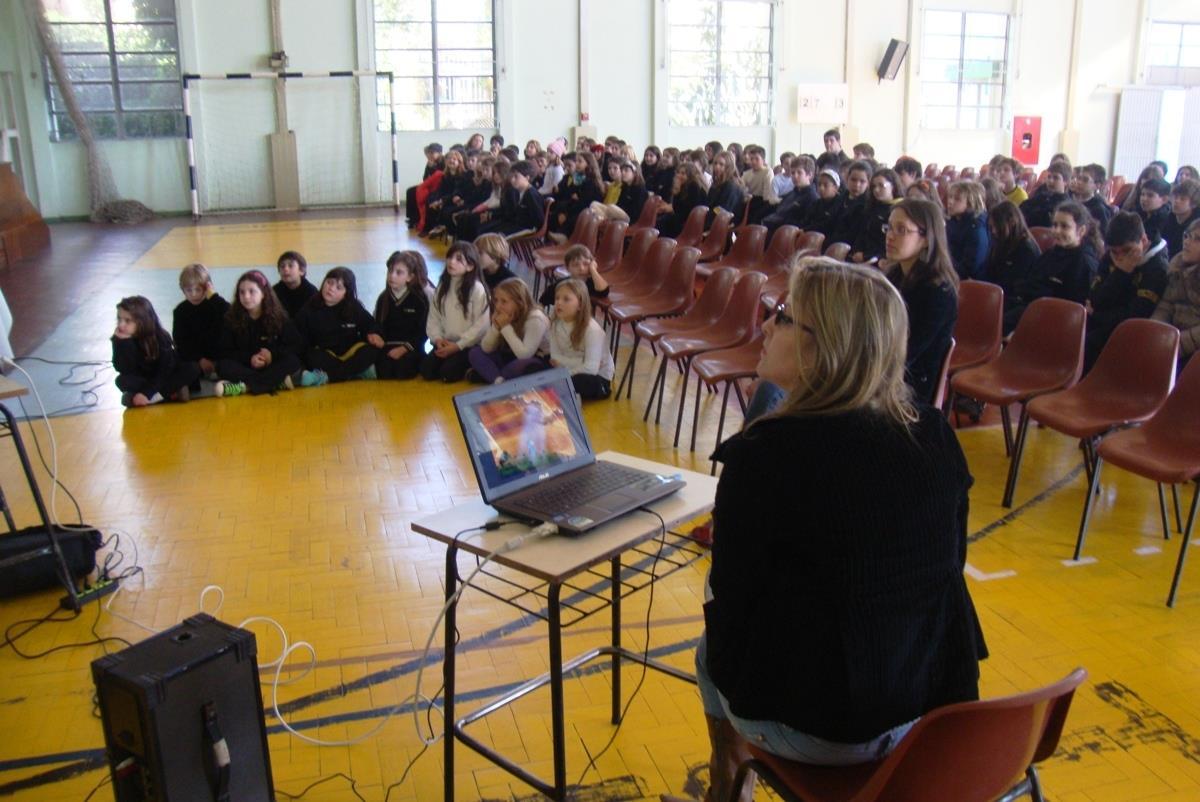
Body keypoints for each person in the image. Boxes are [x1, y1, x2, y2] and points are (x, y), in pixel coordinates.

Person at [664, 258, 985, 802]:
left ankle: (728, 793)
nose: (766, 324)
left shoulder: (766, 456)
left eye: (784, 316)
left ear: (826, 347)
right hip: (927, 706)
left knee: (708, 642)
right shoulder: (933, 434)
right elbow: (950, 567)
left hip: (821, 730)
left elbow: (732, 601)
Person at [883, 199, 959, 403]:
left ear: (926, 239)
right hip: (887, 368)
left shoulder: (939, 292)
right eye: (889, 227)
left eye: (901, 230)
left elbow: (908, 353)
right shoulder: (893, 275)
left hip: (911, 387)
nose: (890, 235)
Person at [1084, 212, 1169, 372]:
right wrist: (1121, 272)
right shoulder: (1112, 254)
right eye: (1115, 252)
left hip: (1130, 334)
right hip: (1104, 323)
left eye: (1127, 250)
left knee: (1088, 344)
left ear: (1144, 240)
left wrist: (1097, 314)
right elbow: (1094, 299)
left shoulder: (1157, 268)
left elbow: (1136, 315)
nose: (1121, 257)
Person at [1004, 200, 1100, 331]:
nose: (1056, 231)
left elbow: (1072, 310)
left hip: (1052, 323)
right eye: (1055, 225)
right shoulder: (1051, 253)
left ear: (1081, 230)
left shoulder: (1085, 264)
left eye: (1064, 226)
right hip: (1029, 309)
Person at [214, 270, 304, 396]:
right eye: (242, 292)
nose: (246, 296)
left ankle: (246, 387)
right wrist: (249, 358)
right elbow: (224, 351)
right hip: (246, 367)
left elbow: (296, 345)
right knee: (223, 366)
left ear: (263, 294)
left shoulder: (279, 317)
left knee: (293, 361)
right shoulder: (231, 318)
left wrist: (272, 356)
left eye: (252, 291)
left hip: (271, 365)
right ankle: (274, 383)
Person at [295, 267, 382, 384]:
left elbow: (370, 323)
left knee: (372, 351)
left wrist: (374, 333)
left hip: (350, 352)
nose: (331, 288)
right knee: (311, 356)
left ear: (346, 293)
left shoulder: (353, 307)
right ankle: (356, 372)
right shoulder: (309, 308)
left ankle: (327, 377)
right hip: (326, 353)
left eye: (338, 287)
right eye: (329, 283)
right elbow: (301, 338)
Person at [111, 296, 199, 407]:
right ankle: (170, 393)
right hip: (144, 378)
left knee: (192, 368)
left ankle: (150, 398)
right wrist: (123, 343)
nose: (121, 325)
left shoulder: (161, 337)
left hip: (164, 376)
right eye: (119, 319)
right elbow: (124, 369)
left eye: (127, 321)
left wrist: (146, 393)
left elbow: (164, 371)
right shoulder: (121, 338)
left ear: (142, 321)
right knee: (121, 380)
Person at [422, 241, 490, 382]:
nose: (451, 262)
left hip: (467, 345)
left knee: (447, 374)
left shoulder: (477, 289)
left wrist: (458, 345)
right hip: (446, 342)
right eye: (450, 257)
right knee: (427, 371)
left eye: (459, 259)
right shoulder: (442, 287)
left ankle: (472, 365)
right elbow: (434, 317)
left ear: (470, 266)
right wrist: (437, 339)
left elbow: (482, 325)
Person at [468, 278, 550, 383]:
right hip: (511, 355)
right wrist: (496, 327)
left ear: (520, 302)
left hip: (536, 359)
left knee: (520, 366)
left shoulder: (535, 318)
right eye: (496, 300)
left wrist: (505, 327)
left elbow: (524, 355)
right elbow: (486, 348)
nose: (498, 306)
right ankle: (499, 380)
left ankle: (492, 375)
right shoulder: (505, 313)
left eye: (504, 301)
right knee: (475, 352)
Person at [548, 278, 614, 399]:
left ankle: (563, 391)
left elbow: (591, 369)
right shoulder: (555, 323)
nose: (559, 303)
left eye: (566, 299)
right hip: (569, 369)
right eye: (557, 298)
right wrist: (580, 362)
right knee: (537, 367)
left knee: (576, 382)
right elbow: (554, 357)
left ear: (580, 305)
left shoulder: (592, 329)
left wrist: (564, 373)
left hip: (597, 377)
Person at [374, 251, 434, 380]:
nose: (392, 276)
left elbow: (423, 331)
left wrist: (404, 348)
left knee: (403, 370)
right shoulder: (383, 298)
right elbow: (378, 325)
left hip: (411, 347)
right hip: (388, 346)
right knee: (384, 371)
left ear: (410, 277)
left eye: (399, 272)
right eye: (390, 271)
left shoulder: (419, 299)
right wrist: (377, 338)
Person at [1152, 218, 1200, 367]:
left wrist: (1176, 344)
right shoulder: (1177, 268)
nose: (1187, 242)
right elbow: (1165, 306)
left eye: (1197, 239)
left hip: (1192, 352)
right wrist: (1154, 331)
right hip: (1172, 341)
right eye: (1187, 235)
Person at [172, 263, 229, 384]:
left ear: (207, 288)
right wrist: (199, 359)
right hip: (195, 359)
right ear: (183, 290)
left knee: (230, 364)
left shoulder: (216, 305)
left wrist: (213, 296)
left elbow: (231, 313)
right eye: (189, 290)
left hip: (218, 355)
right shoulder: (180, 311)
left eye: (198, 289)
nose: (193, 294)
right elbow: (181, 341)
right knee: (185, 367)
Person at [479, 160, 544, 238]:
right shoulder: (520, 191)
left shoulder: (531, 194)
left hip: (527, 228)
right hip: (516, 224)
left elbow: (539, 220)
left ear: (527, 177)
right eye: (512, 176)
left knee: (492, 237)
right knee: (486, 231)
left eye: (516, 177)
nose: (512, 180)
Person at [850, 167, 899, 263]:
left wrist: (867, 256)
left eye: (881, 185)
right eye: (873, 186)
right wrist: (857, 251)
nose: (876, 190)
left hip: (880, 260)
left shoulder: (898, 210)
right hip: (860, 257)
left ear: (893, 186)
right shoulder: (871, 207)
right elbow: (861, 234)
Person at [762, 155, 817, 237]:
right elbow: (779, 212)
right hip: (774, 230)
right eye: (793, 173)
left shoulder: (812, 198)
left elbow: (803, 224)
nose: (795, 176)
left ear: (809, 175)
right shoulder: (791, 194)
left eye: (799, 173)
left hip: (788, 235)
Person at [945, 181, 990, 280]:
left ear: (970, 203)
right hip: (950, 272)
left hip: (970, 280)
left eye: (957, 199)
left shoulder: (976, 229)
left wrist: (943, 267)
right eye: (950, 197)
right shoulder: (953, 221)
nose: (950, 202)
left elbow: (970, 267)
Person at [539, 243, 610, 307]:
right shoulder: (562, 284)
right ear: (567, 268)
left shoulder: (593, 283)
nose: (581, 268)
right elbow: (543, 301)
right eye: (576, 265)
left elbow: (603, 291)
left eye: (586, 264)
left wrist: (593, 270)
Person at [655, 162, 707, 239]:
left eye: (683, 173)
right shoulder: (685, 185)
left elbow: (682, 211)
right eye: (678, 172)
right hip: (684, 219)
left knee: (662, 222)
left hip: (690, 224)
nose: (679, 175)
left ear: (690, 175)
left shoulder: (693, 186)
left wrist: (677, 191)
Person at [829, 160, 872, 246]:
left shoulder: (866, 205)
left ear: (868, 183)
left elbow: (852, 235)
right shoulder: (840, 198)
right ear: (847, 179)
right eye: (853, 180)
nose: (857, 185)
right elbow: (829, 222)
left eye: (862, 181)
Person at [1020, 161, 1070, 228]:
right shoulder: (1040, 197)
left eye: (1056, 178)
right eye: (1049, 177)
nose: (1050, 181)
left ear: (1066, 182)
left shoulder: (1067, 204)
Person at [800, 169, 845, 240]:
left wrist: (806, 230)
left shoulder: (840, 205)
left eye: (825, 185)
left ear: (836, 188)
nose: (821, 188)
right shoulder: (816, 204)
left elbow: (827, 225)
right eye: (819, 185)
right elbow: (806, 221)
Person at [1071, 164, 1114, 235]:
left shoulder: (1099, 209)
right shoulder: (1071, 201)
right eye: (1078, 178)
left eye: (1085, 180)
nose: (1079, 182)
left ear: (1097, 185)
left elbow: (1103, 236)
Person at [274, 250, 318, 319]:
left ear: (301, 271)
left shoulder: (312, 292)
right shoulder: (274, 292)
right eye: (282, 266)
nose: (285, 269)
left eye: (290, 266)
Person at [741, 144, 779, 224]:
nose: (753, 162)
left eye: (757, 159)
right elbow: (741, 188)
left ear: (763, 160)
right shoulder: (746, 173)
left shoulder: (767, 172)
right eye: (751, 159)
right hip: (750, 200)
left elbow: (767, 196)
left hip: (763, 201)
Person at [706, 151, 745, 226]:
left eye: (721, 164)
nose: (717, 167)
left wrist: (706, 215)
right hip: (714, 217)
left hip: (724, 222)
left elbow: (723, 209)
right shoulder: (716, 184)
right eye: (715, 163)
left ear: (728, 167)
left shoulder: (731, 186)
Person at [1164, 179, 1200, 258]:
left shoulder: (1196, 226)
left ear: (1193, 204)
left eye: (1182, 199)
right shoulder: (1169, 218)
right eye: (1175, 197)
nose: (1176, 201)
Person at [1137, 177, 1173, 247]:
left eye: (1150, 195)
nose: (1144, 199)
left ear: (1164, 199)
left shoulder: (1165, 220)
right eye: (1142, 194)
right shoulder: (1139, 212)